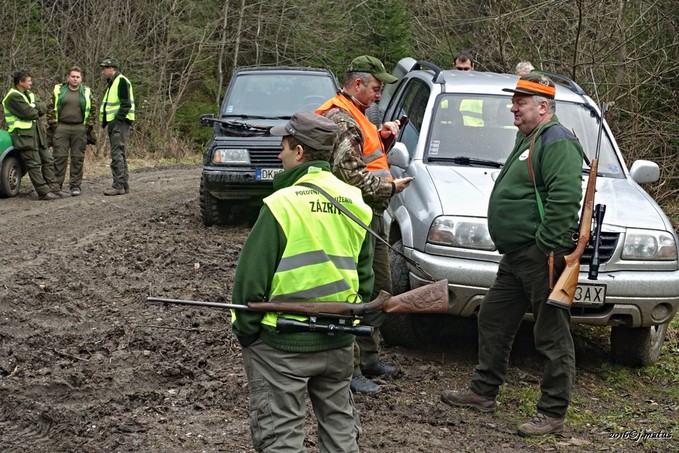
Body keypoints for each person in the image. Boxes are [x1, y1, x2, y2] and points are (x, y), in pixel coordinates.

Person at [440, 73, 583, 437]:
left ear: (543, 106)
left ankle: (552, 412)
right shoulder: (529, 138)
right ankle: (483, 392)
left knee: (551, 335)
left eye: (521, 101)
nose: (513, 106)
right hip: (518, 256)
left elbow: (564, 201)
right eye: (514, 99)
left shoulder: (557, 141)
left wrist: (545, 246)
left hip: (540, 256)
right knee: (493, 317)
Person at [231, 111, 373, 452]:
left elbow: (249, 283)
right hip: (339, 343)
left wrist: (249, 334)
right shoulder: (355, 200)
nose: (279, 155)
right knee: (341, 429)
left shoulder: (282, 204)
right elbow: (366, 280)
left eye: (282, 147)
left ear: (299, 152)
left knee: (281, 436)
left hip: (281, 346)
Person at [316, 55, 414, 394]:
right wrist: (390, 187)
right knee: (355, 291)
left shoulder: (355, 115)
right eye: (375, 88)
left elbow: (363, 156)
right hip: (352, 217)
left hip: (370, 214)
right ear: (357, 84)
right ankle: (351, 368)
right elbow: (350, 175)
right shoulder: (340, 117)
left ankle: (369, 357)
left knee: (378, 287)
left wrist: (383, 139)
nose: (378, 95)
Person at [2, 70, 61, 200]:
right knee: (34, 164)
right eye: (28, 81)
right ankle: (43, 192)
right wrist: (35, 108)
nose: (31, 83)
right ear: (20, 82)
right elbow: (30, 114)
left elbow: (43, 107)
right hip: (23, 136)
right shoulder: (13, 97)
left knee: (48, 160)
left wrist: (34, 105)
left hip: (37, 134)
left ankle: (54, 188)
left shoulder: (28, 94)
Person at [47, 66, 97, 196]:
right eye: (73, 76)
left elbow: (93, 110)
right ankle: (57, 185)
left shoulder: (86, 92)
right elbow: (50, 108)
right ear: (68, 77)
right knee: (59, 157)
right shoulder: (59, 90)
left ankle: (75, 186)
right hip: (61, 128)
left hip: (80, 128)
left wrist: (87, 127)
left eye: (78, 77)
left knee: (77, 158)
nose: (75, 79)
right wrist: (54, 125)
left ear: (81, 79)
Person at [99, 56, 135, 196]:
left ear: (111, 68)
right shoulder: (113, 82)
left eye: (104, 68)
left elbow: (126, 104)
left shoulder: (121, 81)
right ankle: (123, 184)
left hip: (119, 123)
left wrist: (116, 120)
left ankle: (118, 185)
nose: (102, 71)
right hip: (116, 122)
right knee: (119, 152)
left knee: (117, 154)